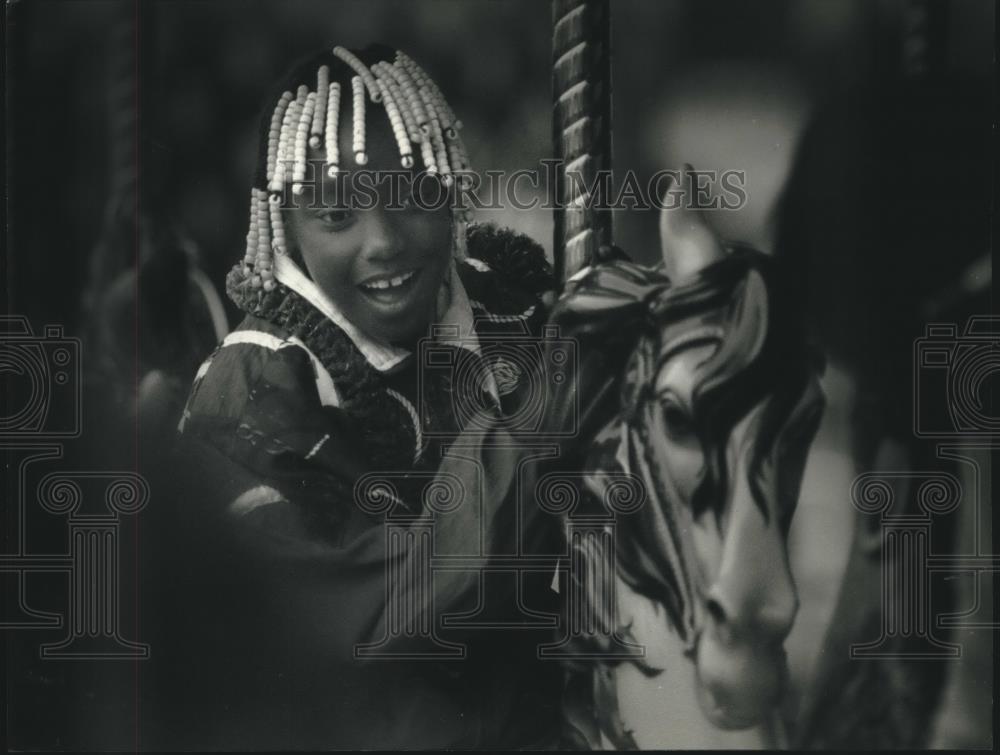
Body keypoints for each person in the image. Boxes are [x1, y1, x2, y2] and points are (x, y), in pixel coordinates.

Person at [164, 44, 567, 750]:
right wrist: (534, 427)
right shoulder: (252, 393)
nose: (384, 241)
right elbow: (379, 616)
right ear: (283, 226)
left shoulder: (517, 314)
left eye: (413, 194)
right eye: (337, 215)